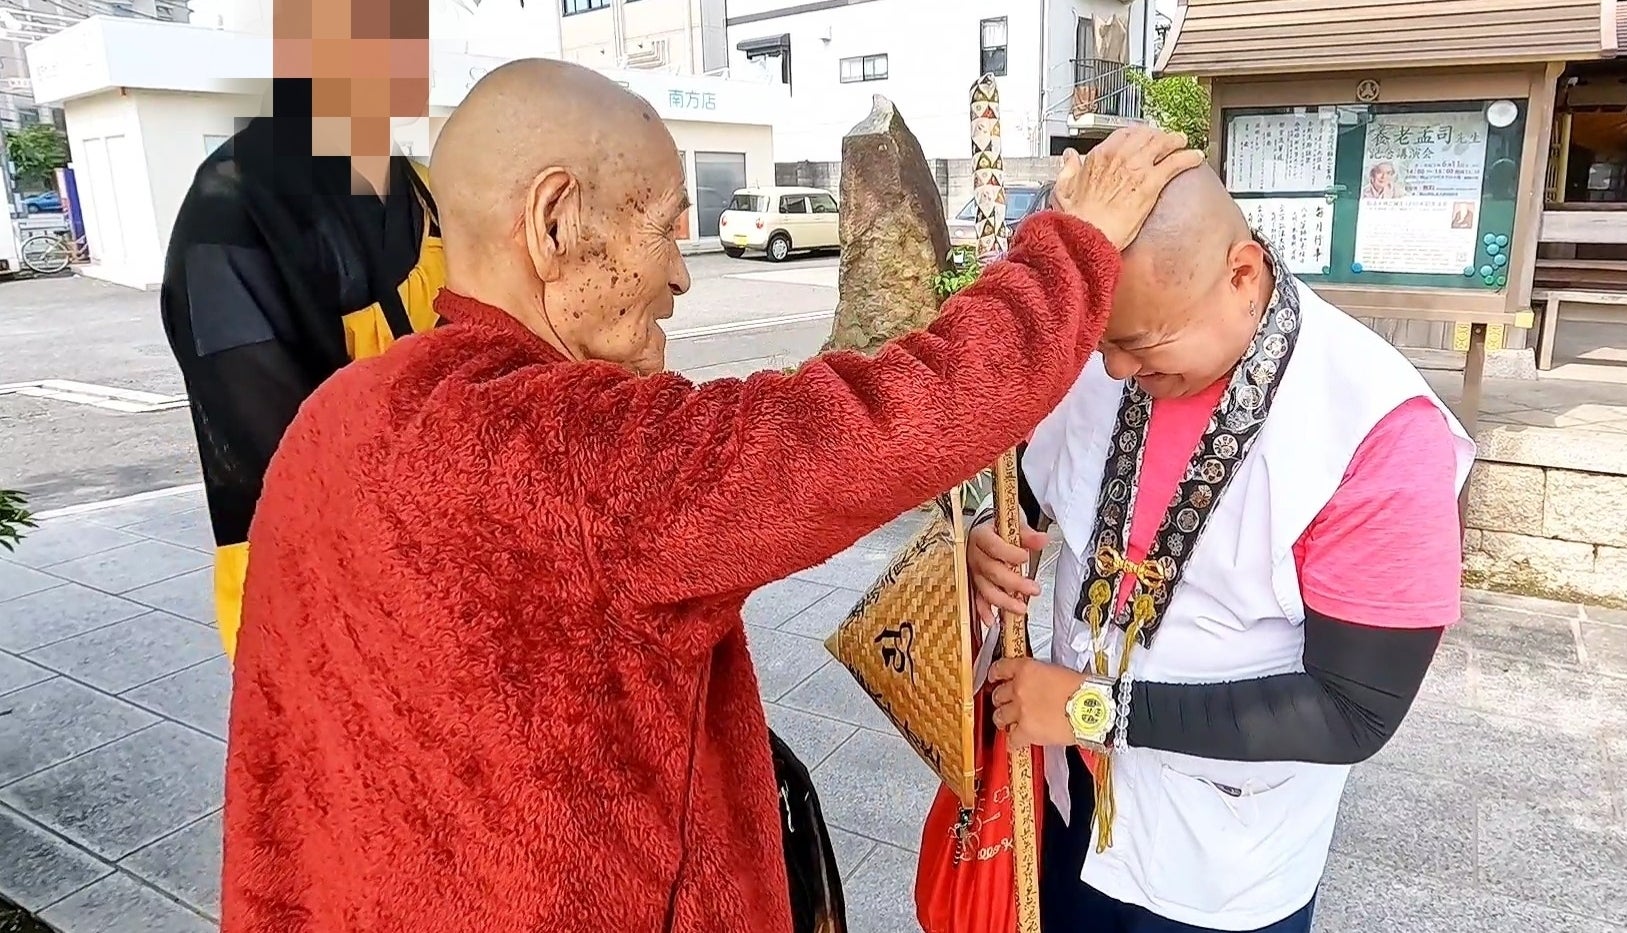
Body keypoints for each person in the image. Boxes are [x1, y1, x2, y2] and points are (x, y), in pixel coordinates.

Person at [218, 58, 1203, 933]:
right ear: (555, 222)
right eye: (663, 228)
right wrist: (1069, 249)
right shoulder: (579, 457)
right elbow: (887, 422)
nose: (680, 279)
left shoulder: (333, 421)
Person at [971, 165, 1472, 933]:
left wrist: (1087, 706)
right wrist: (989, 535)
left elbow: (1352, 710)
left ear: (1242, 274)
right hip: (1074, 803)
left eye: (1141, 343)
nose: (1116, 369)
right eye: (1103, 344)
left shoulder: (1378, 430)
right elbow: (1030, 487)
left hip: (1224, 861)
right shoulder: (1115, 349)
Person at [158, 0, 442, 659]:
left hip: (447, 566)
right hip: (317, 591)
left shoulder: (425, 186)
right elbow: (289, 450)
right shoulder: (232, 209)